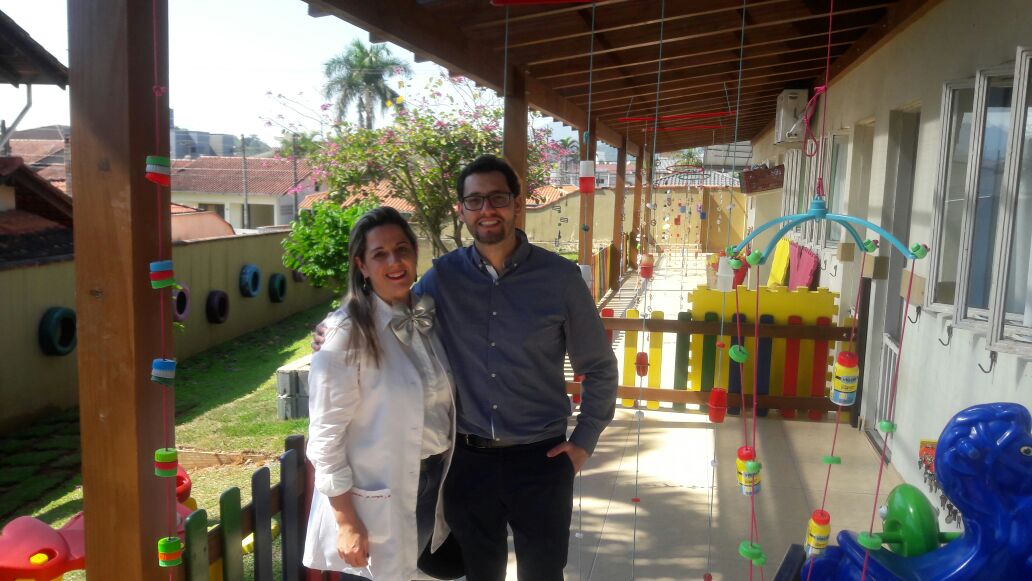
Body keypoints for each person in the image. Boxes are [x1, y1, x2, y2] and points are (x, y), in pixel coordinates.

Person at [315, 155, 618, 581]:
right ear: (462, 210)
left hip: (542, 460)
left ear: (517, 203)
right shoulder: (443, 277)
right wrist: (333, 325)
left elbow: (600, 366)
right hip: (468, 463)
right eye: (475, 200)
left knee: (544, 573)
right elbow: (388, 298)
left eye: (497, 198)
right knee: (478, 572)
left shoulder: (560, 279)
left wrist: (585, 439)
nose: (486, 209)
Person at [303, 206, 457, 580]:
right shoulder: (345, 334)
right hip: (377, 496)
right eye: (379, 254)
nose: (394, 261)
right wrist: (346, 522)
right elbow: (324, 439)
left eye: (402, 249)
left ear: (415, 252)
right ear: (361, 265)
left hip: (430, 483)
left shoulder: (425, 317)